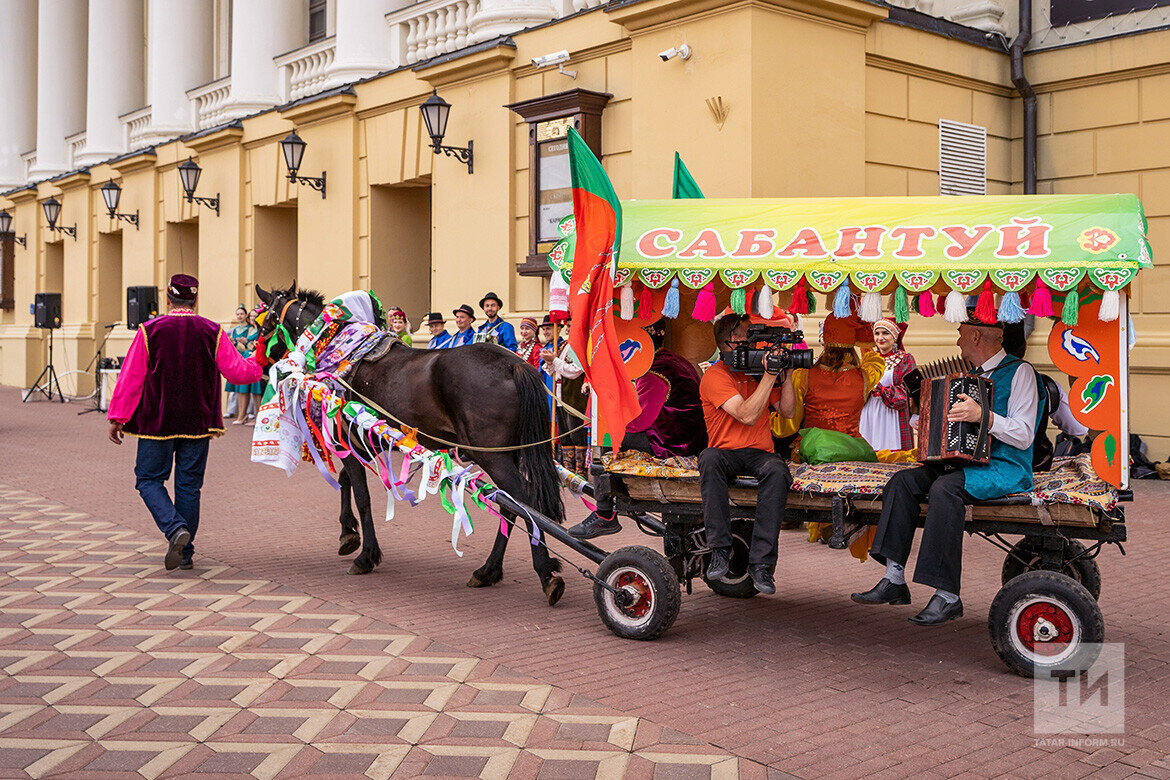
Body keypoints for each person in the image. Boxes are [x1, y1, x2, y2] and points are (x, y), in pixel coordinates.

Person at [852, 309, 1043, 625]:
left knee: (944, 489)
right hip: (965, 464)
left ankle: (948, 596)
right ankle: (894, 579)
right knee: (903, 482)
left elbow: (1023, 435)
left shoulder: (1020, 373)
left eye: (960, 333)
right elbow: (956, 430)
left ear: (975, 336)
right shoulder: (972, 375)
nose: (957, 341)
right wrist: (924, 421)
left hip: (1005, 467)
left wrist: (984, 415)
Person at [107, 274, 264, 571]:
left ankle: (174, 528)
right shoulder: (212, 331)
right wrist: (260, 364)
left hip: (158, 422)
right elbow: (237, 373)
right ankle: (186, 552)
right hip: (197, 422)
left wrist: (118, 417)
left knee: (148, 479)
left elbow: (131, 377)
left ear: (168, 298)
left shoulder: (149, 330)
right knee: (189, 486)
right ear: (195, 298)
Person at [569, 318, 708, 539]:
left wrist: (610, 417)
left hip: (672, 443)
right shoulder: (672, 359)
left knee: (605, 437)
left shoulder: (654, 370)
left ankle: (604, 514)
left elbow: (639, 421)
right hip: (689, 436)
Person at [698, 313, 795, 595]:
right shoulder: (715, 376)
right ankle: (719, 549)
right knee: (709, 458)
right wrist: (768, 375)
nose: (753, 344)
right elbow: (747, 415)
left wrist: (786, 377)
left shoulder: (755, 371)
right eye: (745, 338)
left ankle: (762, 564)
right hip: (725, 452)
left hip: (759, 453)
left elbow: (787, 412)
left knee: (777, 470)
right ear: (728, 343)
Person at [784, 312, 884, 441]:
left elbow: (787, 427)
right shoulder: (864, 377)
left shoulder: (803, 375)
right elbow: (875, 362)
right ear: (853, 341)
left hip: (813, 450)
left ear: (824, 337)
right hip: (850, 449)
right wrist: (864, 342)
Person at [859, 318, 918, 452]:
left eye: (885, 333)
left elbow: (907, 391)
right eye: (877, 333)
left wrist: (881, 389)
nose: (880, 337)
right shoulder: (869, 359)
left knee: (891, 453)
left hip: (892, 414)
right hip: (870, 412)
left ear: (895, 336)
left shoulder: (905, 359)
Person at [541, 317, 589, 476]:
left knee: (576, 434)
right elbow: (549, 370)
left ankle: (580, 471)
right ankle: (569, 472)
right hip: (560, 394)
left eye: (570, 326)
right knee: (564, 434)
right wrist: (550, 362)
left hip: (573, 395)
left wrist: (553, 360)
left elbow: (575, 371)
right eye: (567, 326)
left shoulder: (581, 346)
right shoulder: (562, 346)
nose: (568, 329)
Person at [223, 305, 254, 423]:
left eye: (241, 314)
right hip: (235, 358)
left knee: (245, 387)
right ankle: (236, 412)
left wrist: (238, 344)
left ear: (246, 315)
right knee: (235, 387)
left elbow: (248, 345)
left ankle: (246, 413)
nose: (239, 316)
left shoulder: (250, 329)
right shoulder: (234, 330)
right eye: (238, 314)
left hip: (244, 357)